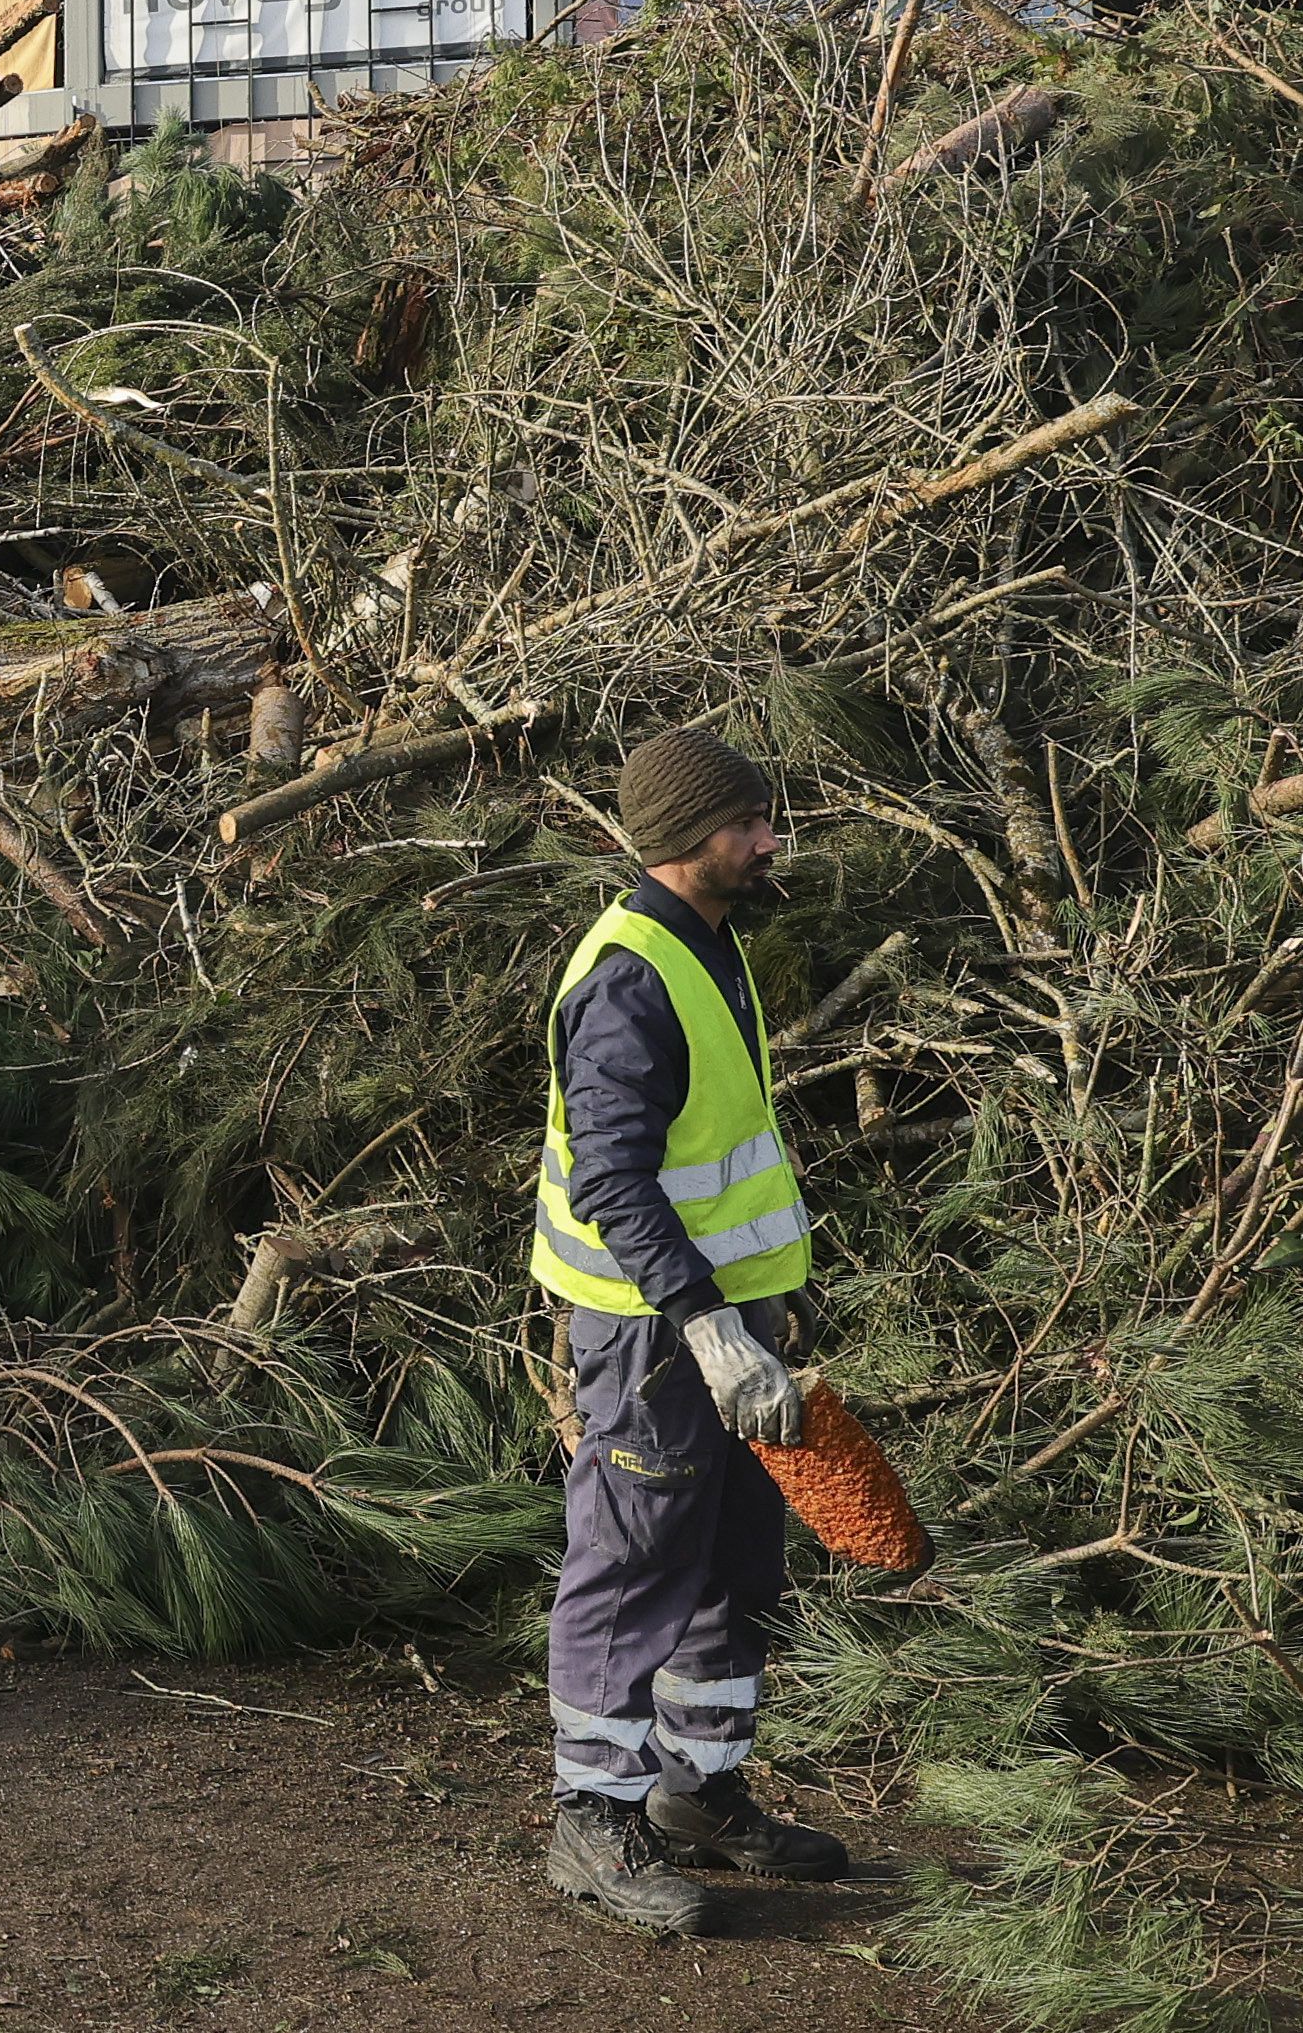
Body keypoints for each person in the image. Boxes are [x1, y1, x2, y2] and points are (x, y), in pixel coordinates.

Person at [532, 726, 852, 1935]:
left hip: (725, 1323)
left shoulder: (707, 941)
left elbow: (718, 1164)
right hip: (652, 1337)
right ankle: (591, 1817)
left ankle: (698, 1791)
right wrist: (712, 1328)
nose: (769, 839)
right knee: (630, 1568)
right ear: (680, 841)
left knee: (731, 1562)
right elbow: (615, 1183)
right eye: (748, 824)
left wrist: (766, 1308)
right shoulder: (627, 977)